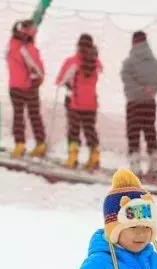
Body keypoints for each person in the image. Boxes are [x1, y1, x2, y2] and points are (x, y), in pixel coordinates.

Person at [121, 31, 157, 180]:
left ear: (133, 42)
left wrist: (139, 91)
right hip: (150, 103)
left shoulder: (128, 63)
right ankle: (154, 166)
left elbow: (126, 80)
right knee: (150, 133)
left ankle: (135, 166)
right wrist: (150, 91)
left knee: (133, 133)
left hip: (134, 103)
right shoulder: (156, 63)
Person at [56, 34, 103, 171]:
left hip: (74, 102)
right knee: (90, 130)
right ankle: (94, 158)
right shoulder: (96, 63)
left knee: (73, 130)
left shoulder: (73, 61)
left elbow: (61, 80)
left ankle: (72, 158)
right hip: (91, 102)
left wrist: (66, 84)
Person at [6, 19, 46, 159]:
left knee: (18, 115)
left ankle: (20, 144)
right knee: (34, 115)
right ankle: (40, 143)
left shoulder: (11, 44)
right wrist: (39, 80)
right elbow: (38, 69)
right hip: (28, 87)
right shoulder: (27, 48)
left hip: (14, 85)